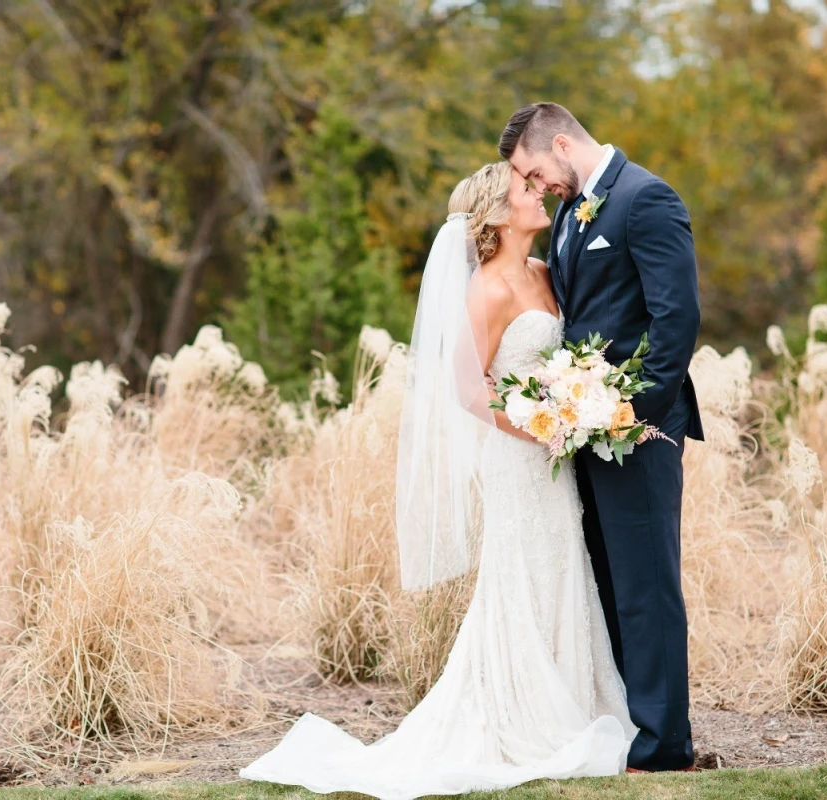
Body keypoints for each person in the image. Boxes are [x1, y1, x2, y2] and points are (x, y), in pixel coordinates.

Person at [238, 160, 637, 800]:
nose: (538, 195)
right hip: (519, 458)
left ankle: (577, 700)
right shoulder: (485, 290)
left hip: (556, 456)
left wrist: (577, 403)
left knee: (562, 568)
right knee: (524, 571)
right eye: (525, 191)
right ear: (498, 216)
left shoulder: (542, 273)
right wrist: (542, 426)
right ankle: (520, 714)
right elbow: (469, 391)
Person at [500, 101, 703, 773]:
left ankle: (664, 745)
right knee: (611, 584)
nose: (537, 186)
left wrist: (629, 412)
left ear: (561, 143)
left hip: (636, 431)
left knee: (647, 587)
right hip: (583, 430)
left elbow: (675, 321)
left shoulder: (647, 199)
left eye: (535, 170)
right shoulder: (569, 215)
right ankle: (627, 730)